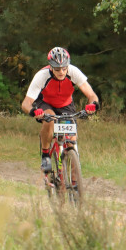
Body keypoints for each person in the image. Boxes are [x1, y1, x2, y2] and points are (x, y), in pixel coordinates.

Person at [20, 47, 100, 175]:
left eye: (64, 68)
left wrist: (93, 105)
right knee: (50, 119)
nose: (62, 72)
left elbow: (91, 95)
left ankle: (75, 184)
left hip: (65, 104)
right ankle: (46, 155)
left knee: (72, 142)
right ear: (50, 67)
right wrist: (33, 111)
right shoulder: (41, 76)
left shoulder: (73, 72)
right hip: (45, 102)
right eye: (57, 69)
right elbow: (26, 103)